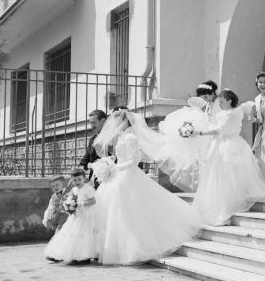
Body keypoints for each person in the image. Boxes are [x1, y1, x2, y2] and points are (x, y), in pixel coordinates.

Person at [91, 108, 202, 265]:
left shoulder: (130, 138)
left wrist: (116, 168)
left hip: (128, 175)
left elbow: (135, 160)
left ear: (124, 122)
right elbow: (120, 156)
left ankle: (134, 249)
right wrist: (108, 163)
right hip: (118, 175)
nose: (113, 125)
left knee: (129, 212)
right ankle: (115, 248)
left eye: (116, 122)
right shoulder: (121, 137)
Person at [193, 89, 265, 225]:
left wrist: (200, 133)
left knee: (229, 175)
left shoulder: (233, 114)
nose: (221, 104)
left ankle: (229, 204)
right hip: (220, 145)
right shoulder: (225, 113)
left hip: (229, 145)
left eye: (223, 102)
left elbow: (220, 129)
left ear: (230, 101)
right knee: (218, 176)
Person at [156, 91, 211, 193]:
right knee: (195, 163)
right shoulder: (201, 115)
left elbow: (171, 126)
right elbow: (204, 129)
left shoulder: (182, 112)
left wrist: (184, 132)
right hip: (195, 143)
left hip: (184, 142)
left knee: (183, 161)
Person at [44, 168, 99, 264]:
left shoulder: (88, 189)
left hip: (86, 215)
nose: (77, 182)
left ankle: (84, 257)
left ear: (84, 179)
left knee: (83, 235)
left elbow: (93, 201)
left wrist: (81, 203)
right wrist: (68, 203)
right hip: (76, 215)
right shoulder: (74, 189)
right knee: (70, 234)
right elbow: (69, 198)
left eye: (79, 179)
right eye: (74, 180)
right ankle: (62, 254)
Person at [79, 109, 107, 189]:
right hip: (93, 182)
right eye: (90, 123)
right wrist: (81, 167)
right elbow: (86, 157)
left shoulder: (112, 138)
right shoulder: (92, 139)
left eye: (94, 123)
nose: (91, 126)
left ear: (103, 121)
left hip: (107, 183)